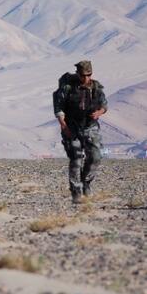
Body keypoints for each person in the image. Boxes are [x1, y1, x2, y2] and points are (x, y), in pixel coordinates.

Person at [54, 60, 108, 204]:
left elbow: (104, 104)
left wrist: (99, 112)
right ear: (78, 74)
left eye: (88, 75)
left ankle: (86, 183)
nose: (86, 78)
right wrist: (64, 126)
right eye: (83, 75)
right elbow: (58, 108)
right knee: (76, 159)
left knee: (95, 157)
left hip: (90, 127)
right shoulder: (67, 88)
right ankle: (76, 192)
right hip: (72, 127)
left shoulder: (96, 87)